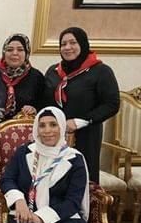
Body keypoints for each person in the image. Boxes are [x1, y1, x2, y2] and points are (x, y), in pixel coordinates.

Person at [44, 27, 120, 181]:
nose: (67, 47)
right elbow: (45, 100)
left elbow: (111, 104)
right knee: (53, 180)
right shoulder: (53, 71)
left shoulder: (101, 71)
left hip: (86, 136)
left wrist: (80, 121)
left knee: (81, 180)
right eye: (63, 44)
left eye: (73, 43)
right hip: (54, 135)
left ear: (83, 44)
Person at [0, 33, 47, 123]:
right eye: (10, 50)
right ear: (4, 52)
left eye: (20, 50)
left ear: (26, 53)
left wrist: (34, 109)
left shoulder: (36, 77)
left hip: (23, 129)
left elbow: (44, 106)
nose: (14, 53)